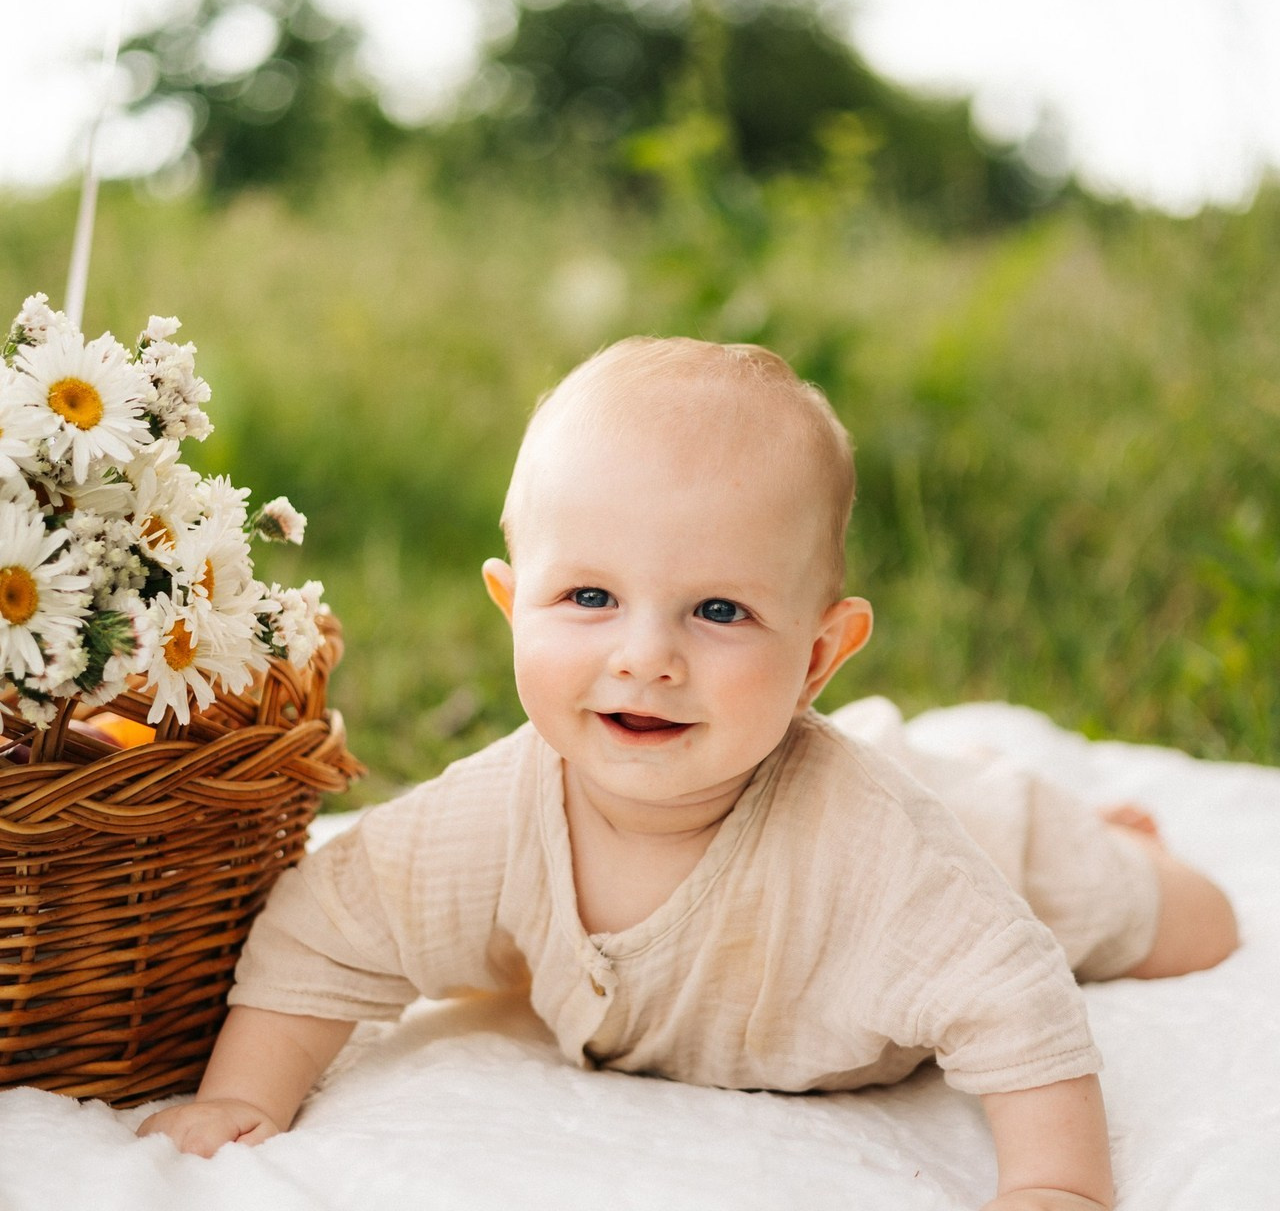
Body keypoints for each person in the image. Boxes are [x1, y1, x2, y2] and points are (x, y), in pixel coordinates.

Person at [138, 337, 1238, 1210]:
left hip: (979, 837)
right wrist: (243, 1093)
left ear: (815, 654)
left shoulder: (889, 855)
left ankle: (1104, 828)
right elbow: (331, 922)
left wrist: (1053, 1184)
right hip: (854, 801)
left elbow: (1013, 995)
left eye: (717, 610)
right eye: (588, 598)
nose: (644, 654)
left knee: (1186, 922)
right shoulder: (489, 814)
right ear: (509, 605)